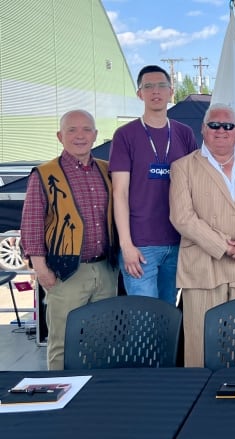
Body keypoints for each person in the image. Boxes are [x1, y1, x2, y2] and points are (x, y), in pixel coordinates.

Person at [169, 104, 235, 367]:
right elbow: (182, 217)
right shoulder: (183, 167)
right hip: (203, 269)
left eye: (228, 126)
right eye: (214, 125)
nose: (221, 131)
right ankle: (199, 402)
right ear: (203, 130)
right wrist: (225, 246)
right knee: (200, 346)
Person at [20, 110, 118, 370]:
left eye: (86, 129)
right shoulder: (44, 174)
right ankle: (60, 400)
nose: (80, 136)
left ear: (95, 135)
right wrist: (42, 271)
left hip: (106, 269)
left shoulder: (107, 171)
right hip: (65, 273)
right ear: (60, 136)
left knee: (102, 340)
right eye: (72, 130)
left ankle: (97, 396)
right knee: (63, 342)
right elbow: (31, 226)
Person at [109, 65, 198, 305]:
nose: (155, 91)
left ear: (171, 91)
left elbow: (196, 187)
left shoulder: (184, 134)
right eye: (148, 86)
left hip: (178, 242)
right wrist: (126, 245)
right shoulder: (125, 135)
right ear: (140, 94)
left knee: (168, 313)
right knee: (144, 319)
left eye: (161, 85)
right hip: (141, 246)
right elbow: (119, 193)